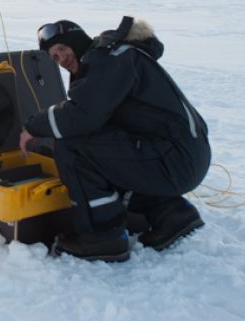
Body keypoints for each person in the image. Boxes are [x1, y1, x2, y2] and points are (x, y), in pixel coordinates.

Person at [20, 17, 211, 262]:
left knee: (73, 145)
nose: (61, 59)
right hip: (182, 156)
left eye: (62, 49)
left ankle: (102, 236)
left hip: (174, 160)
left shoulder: (106, 59)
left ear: (76, 41)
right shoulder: (109, 57)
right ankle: (170, 214)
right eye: (54, 57)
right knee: (105, 147)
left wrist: (34, 126)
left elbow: (83, 116)